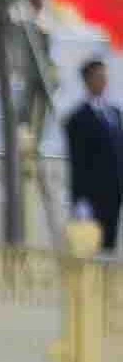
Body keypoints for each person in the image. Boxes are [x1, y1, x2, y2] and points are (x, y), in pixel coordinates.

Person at [66, 59, 123, 253]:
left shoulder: (114, 113)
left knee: (109, 250)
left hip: (113, 198)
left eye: (105, 76)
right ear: (88, 80)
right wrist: (81, 200)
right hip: (91, 199)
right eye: (99, 76)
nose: (104, 81)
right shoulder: (77, 118)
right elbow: (77, 163)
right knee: (90, 253)